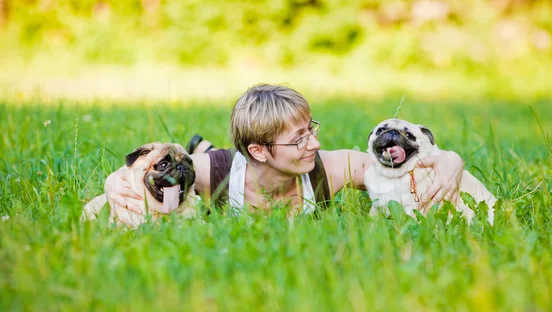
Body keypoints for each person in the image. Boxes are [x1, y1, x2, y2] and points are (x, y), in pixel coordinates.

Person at [105, 84, 464, 220]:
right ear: (258, 151)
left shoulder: (330, 168)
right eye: (300, 139)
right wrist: (112, 183)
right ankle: (206, 144)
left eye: (312, 130)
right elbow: (148, 171)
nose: (316, 144)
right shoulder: (212, 171)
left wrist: (452, 160)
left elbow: (396, 163)